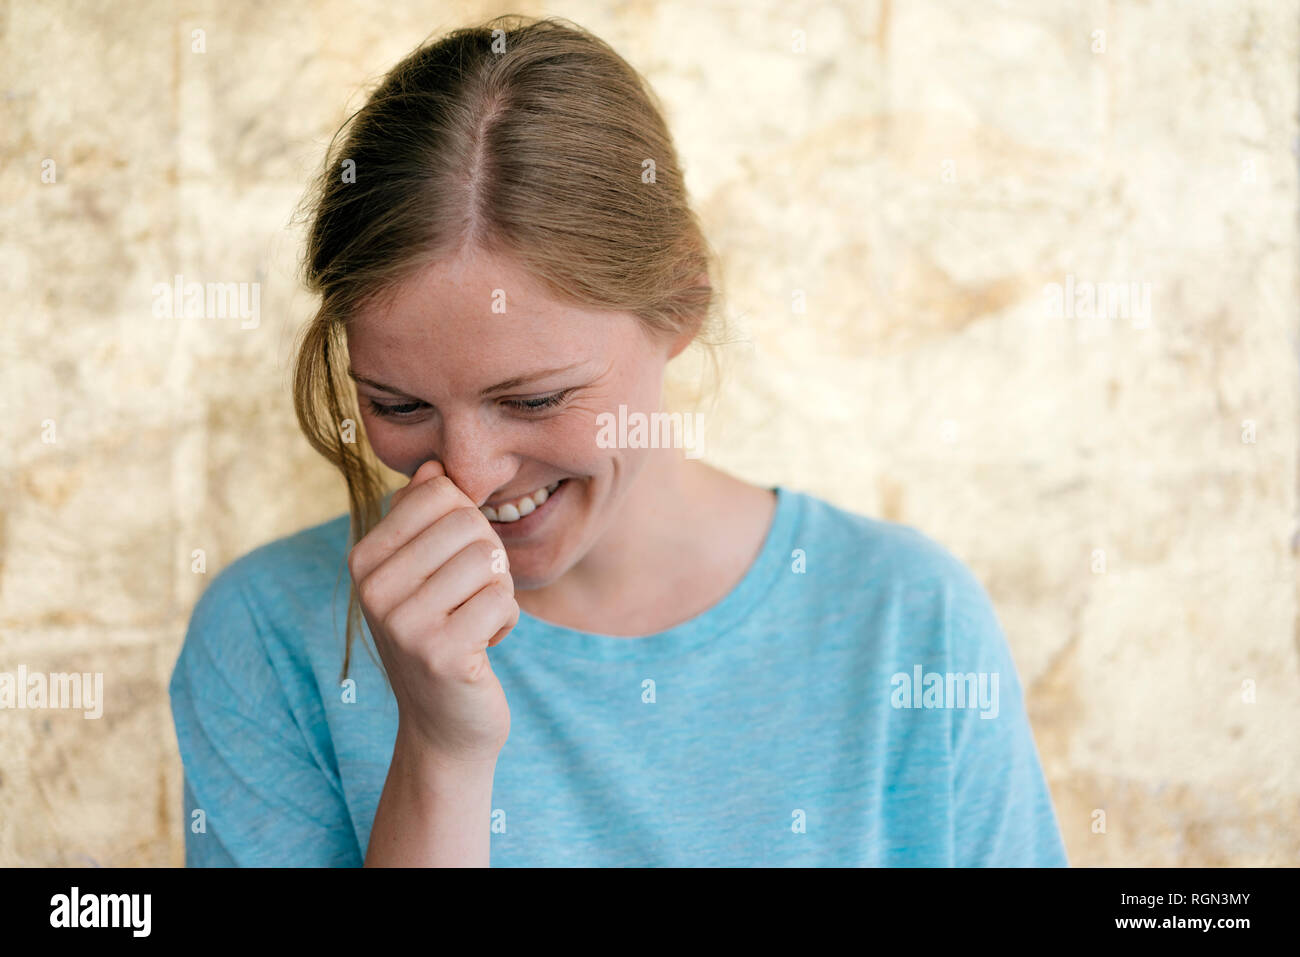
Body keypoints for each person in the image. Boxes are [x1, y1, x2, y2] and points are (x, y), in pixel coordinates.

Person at [168, 14, 1068, 867]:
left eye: (534, 398)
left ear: (681, 304)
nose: (470, 475)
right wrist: (439, 756)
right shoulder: (267, 637)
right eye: (399, 406)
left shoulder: (910, 621)